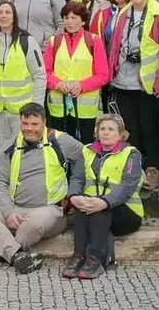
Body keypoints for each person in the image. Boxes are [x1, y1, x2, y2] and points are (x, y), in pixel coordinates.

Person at [0, 103, 82, 274]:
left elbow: (86, 157)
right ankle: (18, 255)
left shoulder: (61, 140)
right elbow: (0, 182)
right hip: (17, 209)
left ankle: (2, 251)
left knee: (34, 223)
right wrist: (8, 212)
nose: (29, 129)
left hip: (50, 210)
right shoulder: (9, 146)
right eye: (25, 124)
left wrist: (75, 189)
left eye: (34, 124)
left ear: (44, 122)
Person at [105, 0, 159, 189]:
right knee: (130, 127)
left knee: (151, 128)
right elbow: (116, 46)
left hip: (148, 84)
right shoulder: (124, 14)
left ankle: (154, 167)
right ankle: (136, 166)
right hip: (123, 81)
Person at [62, 113, 145, 279]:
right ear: (97, 132)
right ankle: (78, 256)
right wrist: (74, 197)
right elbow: (77, 178)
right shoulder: (86, 151)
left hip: (126, 213)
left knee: (99, 210)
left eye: (111, 129)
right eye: (102, 129)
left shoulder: (131, 155)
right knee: (82, 208)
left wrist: (105, 202)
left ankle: (95, 259)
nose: (106, 132)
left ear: (121, 134)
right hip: (92, 207)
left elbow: (126, 187)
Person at [0, 0, 47, 153]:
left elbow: (39, 75)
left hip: (22, 112)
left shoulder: (27, 41)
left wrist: (36, 108)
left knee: (24, 152)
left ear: (14, 16)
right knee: (4, 151)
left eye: (7, 12)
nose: (3, 16)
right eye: (0, 12)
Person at [44, 2, 109, 143]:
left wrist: (81, 85)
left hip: (85, 110)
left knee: (83, 148)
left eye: (74, 18)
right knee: (58, 146)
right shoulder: (54, 42)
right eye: (66, 18)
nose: (70, 21)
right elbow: (45, 72)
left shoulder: (93, 41)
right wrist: (58, 84)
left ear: (83, 21)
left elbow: (103, 75)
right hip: (58, 107)